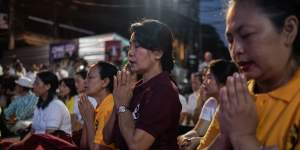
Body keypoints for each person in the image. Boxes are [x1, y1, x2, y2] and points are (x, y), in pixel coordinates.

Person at [200, 0, 300, 149]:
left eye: (246, 35)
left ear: (289, 30)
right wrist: (224, 137)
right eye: (230, 40)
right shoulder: (235, 97)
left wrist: (243, 137)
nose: (236, 49)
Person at [103, 19, 181, 150]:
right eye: (130, 46)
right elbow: (107, 137)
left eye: (137, 46)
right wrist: (118, 101)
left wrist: (122, 106)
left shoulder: (163, 91)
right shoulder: (137, 88)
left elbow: (137, 145)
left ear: (158, 53)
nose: (130, 52)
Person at [177, 59, 238, 150]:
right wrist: (184, 137)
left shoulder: (236, 105)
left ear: (222, 80)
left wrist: (198, 140)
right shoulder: (211, 102)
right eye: (204, 77)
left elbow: (227, 140)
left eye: (209, 77)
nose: (204, 82)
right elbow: (198, 131)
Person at [79, 61, 117, 150]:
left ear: (105, 82)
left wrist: (88, 120)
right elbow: (84, 146)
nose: (85, 82)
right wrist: (86, 118)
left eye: (90, 77)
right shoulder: (100, 106)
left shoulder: (110, 105)